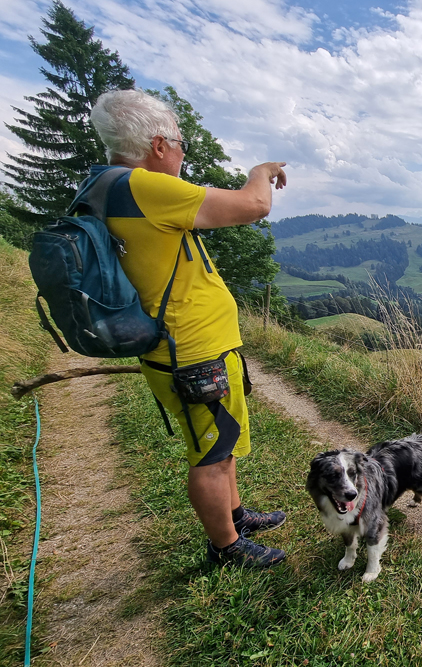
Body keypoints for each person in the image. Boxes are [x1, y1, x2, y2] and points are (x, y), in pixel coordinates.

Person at [88, 88, 288, 568]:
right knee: (211, 452)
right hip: (191, 349)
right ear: (158, 145)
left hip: (178, 345)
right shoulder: (143, 188)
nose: (181, 154)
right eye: (180, 144)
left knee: (219, 438)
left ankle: (235, 515)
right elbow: (253, 205)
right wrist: (261, 172)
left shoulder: (103, 185)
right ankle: (227, 547)